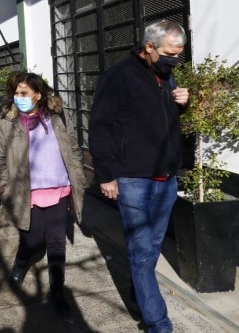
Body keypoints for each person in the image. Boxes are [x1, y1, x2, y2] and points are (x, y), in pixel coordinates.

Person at [88, 19, 189, 333]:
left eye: (179, 54)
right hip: (133, 179)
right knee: (142, 250)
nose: (175, 60)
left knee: (151, 248)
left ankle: (137, 296)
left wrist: (182, 104)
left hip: (166, 178)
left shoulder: (166, 76)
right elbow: (99, 128)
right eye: (170, 54)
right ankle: (158, 322)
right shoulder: (118, 76)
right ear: (149, 47)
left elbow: (162, 119)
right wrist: (105, 175)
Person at [0, 72, 86, 317]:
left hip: (58, 189)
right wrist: (4, 189)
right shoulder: (7, 119)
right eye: (15, 93)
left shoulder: (57, 115)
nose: (18, 98)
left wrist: (78, 177)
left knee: (56, 243)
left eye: (24, 93)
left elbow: (73, 148)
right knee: (32, 240)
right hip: (24, 193)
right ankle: (21, 262)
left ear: (38, 95)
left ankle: (57, 292)